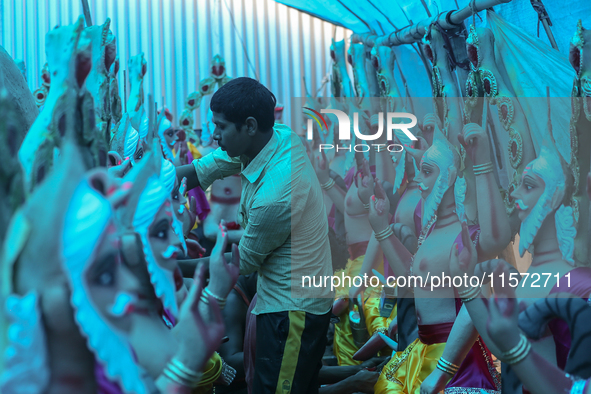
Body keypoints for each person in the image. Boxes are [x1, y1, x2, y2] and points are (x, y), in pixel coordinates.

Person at [176, 77, 334, 393]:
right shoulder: (273, 138)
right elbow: (198, 171)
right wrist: (134, 183)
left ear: (249, 126)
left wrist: (172, 267)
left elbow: (239, 264)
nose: (213, 135)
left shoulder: (276, 194)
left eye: (220, 127)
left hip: (292, 312)